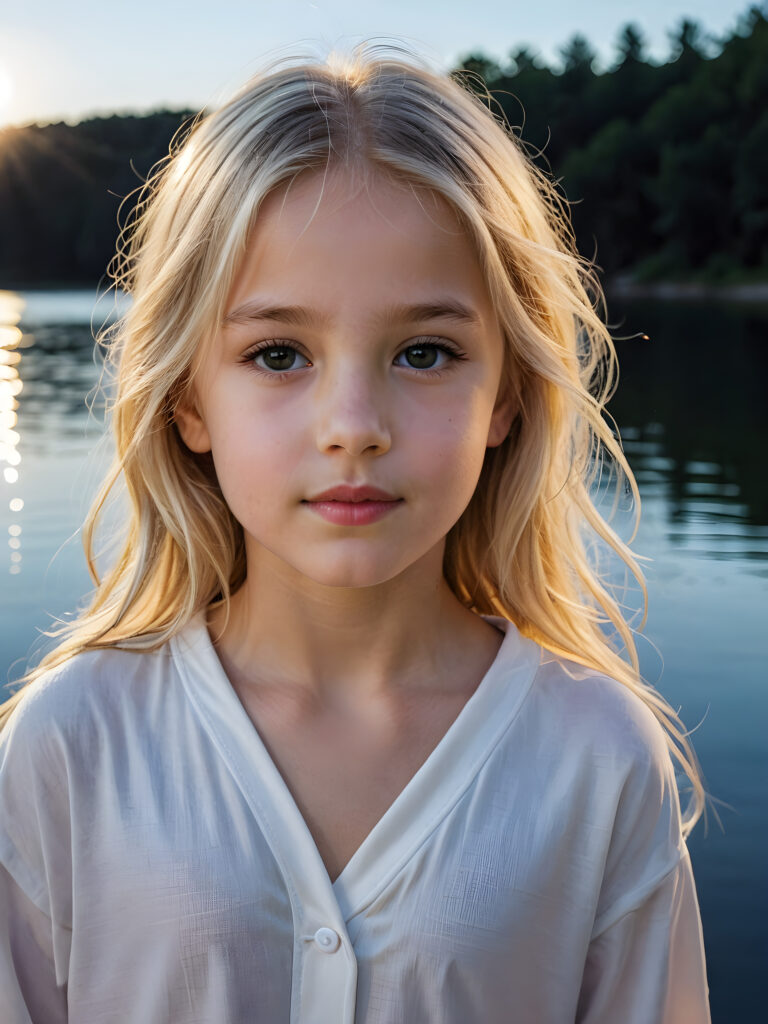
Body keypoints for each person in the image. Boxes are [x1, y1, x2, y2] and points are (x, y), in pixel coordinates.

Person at [0, 41, 710, 1023]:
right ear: (187, 400)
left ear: (504, 395)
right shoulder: (74, 742)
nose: (353, 424)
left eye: (425, 351)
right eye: (278, 352)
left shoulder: (594, 757)